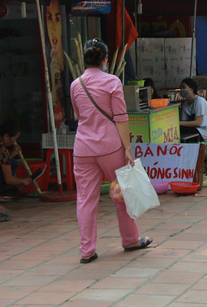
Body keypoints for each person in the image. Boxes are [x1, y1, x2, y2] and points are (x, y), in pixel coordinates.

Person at [71, 38, 152, 264]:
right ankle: (130, 239)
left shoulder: (75, 84)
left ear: (84, 59)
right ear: (105, 60)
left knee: (85, 199)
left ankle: (87, 250)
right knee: (120, 194)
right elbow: (121, 118)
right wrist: (127, 148)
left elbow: (78, 116)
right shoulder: (112, 82)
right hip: (110, 149)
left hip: (83, 150)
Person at [179, 78, 207, 142]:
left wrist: (178, 123)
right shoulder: (185, 104)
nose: (182, 90)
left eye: (184, 87)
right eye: (181, 88)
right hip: (194, 129)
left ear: (191, 89)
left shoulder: (199, 101)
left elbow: (197, 122)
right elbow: (185, 122)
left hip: (204, 131)